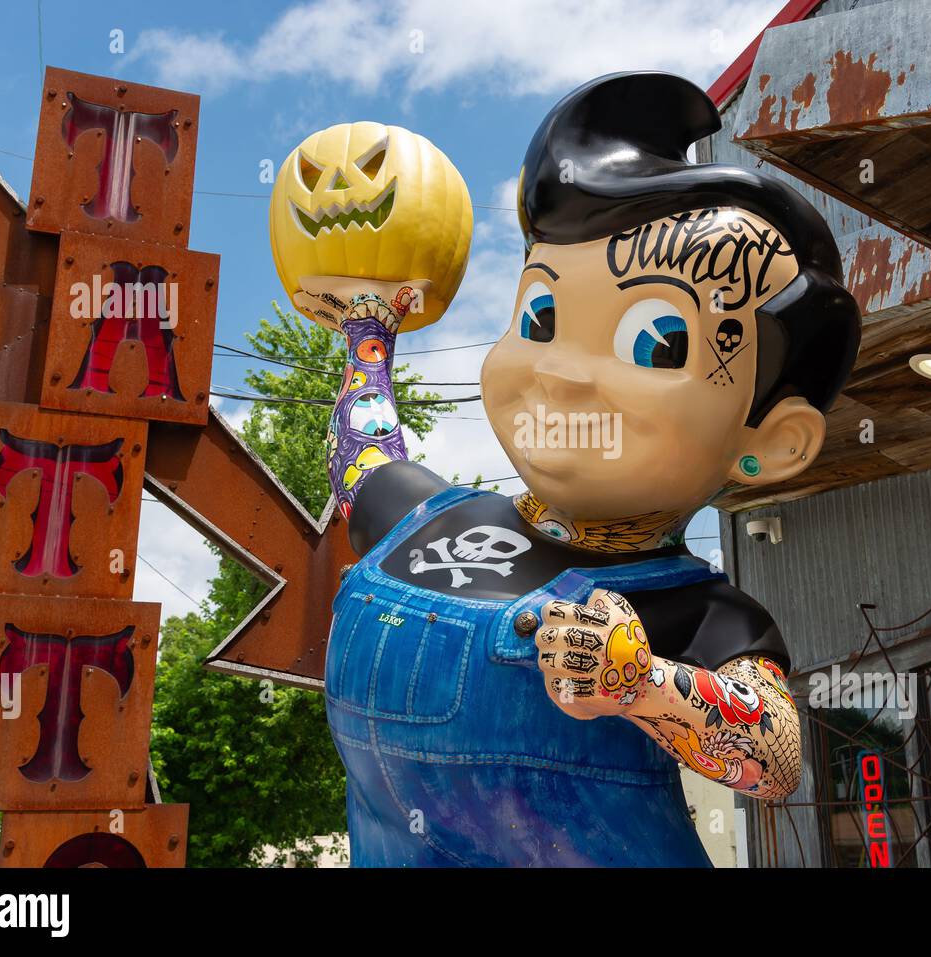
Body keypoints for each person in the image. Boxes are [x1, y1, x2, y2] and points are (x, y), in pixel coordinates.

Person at [323, 71, 861, 866]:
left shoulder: (692, 611)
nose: (561, 373)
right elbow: (363, 457)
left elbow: (773, 757)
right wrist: (369, 332)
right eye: (540, 315)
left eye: (656, 342)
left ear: (773, 438)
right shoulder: (433, 518)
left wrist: (644, 685)